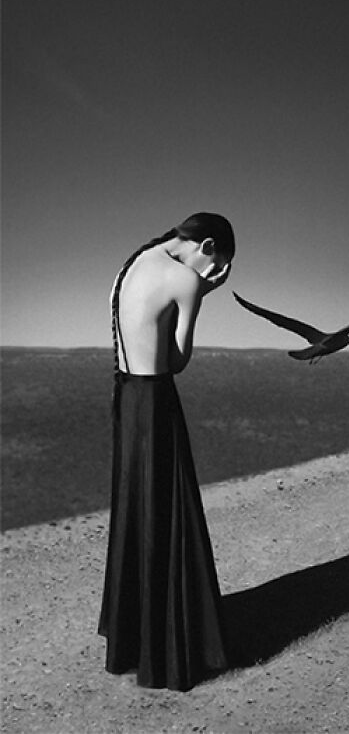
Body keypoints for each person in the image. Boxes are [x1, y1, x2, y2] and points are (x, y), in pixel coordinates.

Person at [98, 212, 234, 691]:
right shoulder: (187, 279)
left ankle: (131, 639)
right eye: (217, 262)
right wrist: (203, 292)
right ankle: (169, 650)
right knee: (167, 514)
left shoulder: (132, 263)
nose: (210, 271)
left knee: (135, 512)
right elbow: (177, 360)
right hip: (155, 400)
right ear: (209, 246)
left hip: (125, 396)